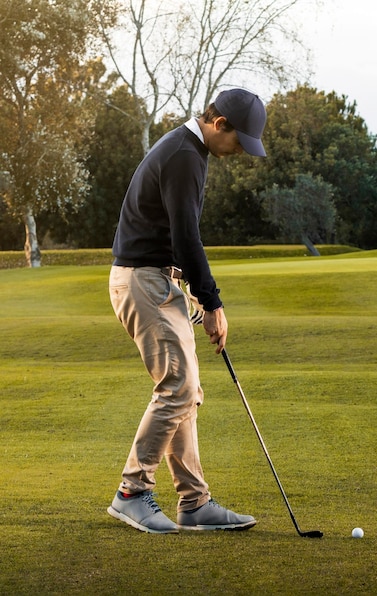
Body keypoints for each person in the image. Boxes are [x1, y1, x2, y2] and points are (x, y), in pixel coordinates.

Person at [106, 88, 267, 534]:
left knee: (186, 392)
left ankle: (194, 503)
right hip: (143, 280)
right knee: (178, 386)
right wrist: (213, 303)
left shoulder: (190, 150)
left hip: (157, 277)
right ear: (219, 125)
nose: (238, 151)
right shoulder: (183, 154)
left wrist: (189, 290)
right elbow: (186, 235)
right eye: (238, 141)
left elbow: (176, 237)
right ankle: (132, 493)